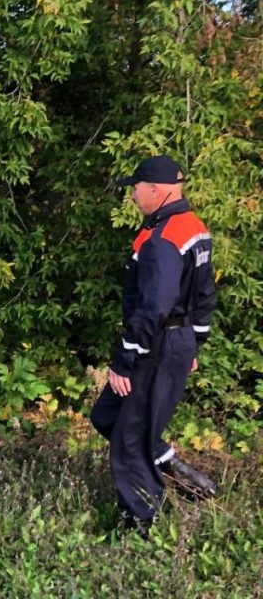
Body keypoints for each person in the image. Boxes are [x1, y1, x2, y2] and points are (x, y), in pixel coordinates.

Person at [89, 155, 217, 533]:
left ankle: (139, 526)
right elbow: (205, 294)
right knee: (107, 416)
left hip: (155, 345)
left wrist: (125, 358)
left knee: (129, 439)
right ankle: (169, 463)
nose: (132, 195)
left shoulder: (164, 237)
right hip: (175, 341)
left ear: (156, 190)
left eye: (135, 188)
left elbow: (154, 305)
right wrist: (194, 342)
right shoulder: (191, 228)